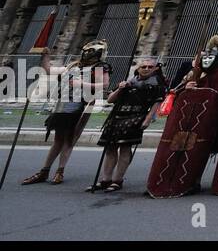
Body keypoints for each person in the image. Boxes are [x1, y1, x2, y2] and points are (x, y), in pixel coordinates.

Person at [22, 41, 112, 186]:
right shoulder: (73, 65)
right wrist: (45, 55)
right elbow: (48, 70)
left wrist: (80, 83)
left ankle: (60, 171)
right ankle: (44, 171)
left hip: (81, 104)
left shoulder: (101, 67)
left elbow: (104, 85)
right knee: (58, 139)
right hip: (63, 103)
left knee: (69, 139)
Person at [92, 55, 165, 192]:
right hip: (117, 116)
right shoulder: (128, 82)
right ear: (138, 68)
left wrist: (148, 119)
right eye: (144, 66)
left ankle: (117, 180)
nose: (146, 69)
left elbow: (157, 102)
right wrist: (120, 88)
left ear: (155, 68)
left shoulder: (157, 84)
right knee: (110, 148)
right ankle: (105, 180)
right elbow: (110, 100)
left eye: (150, 67)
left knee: (125, 148)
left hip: (136, 116)